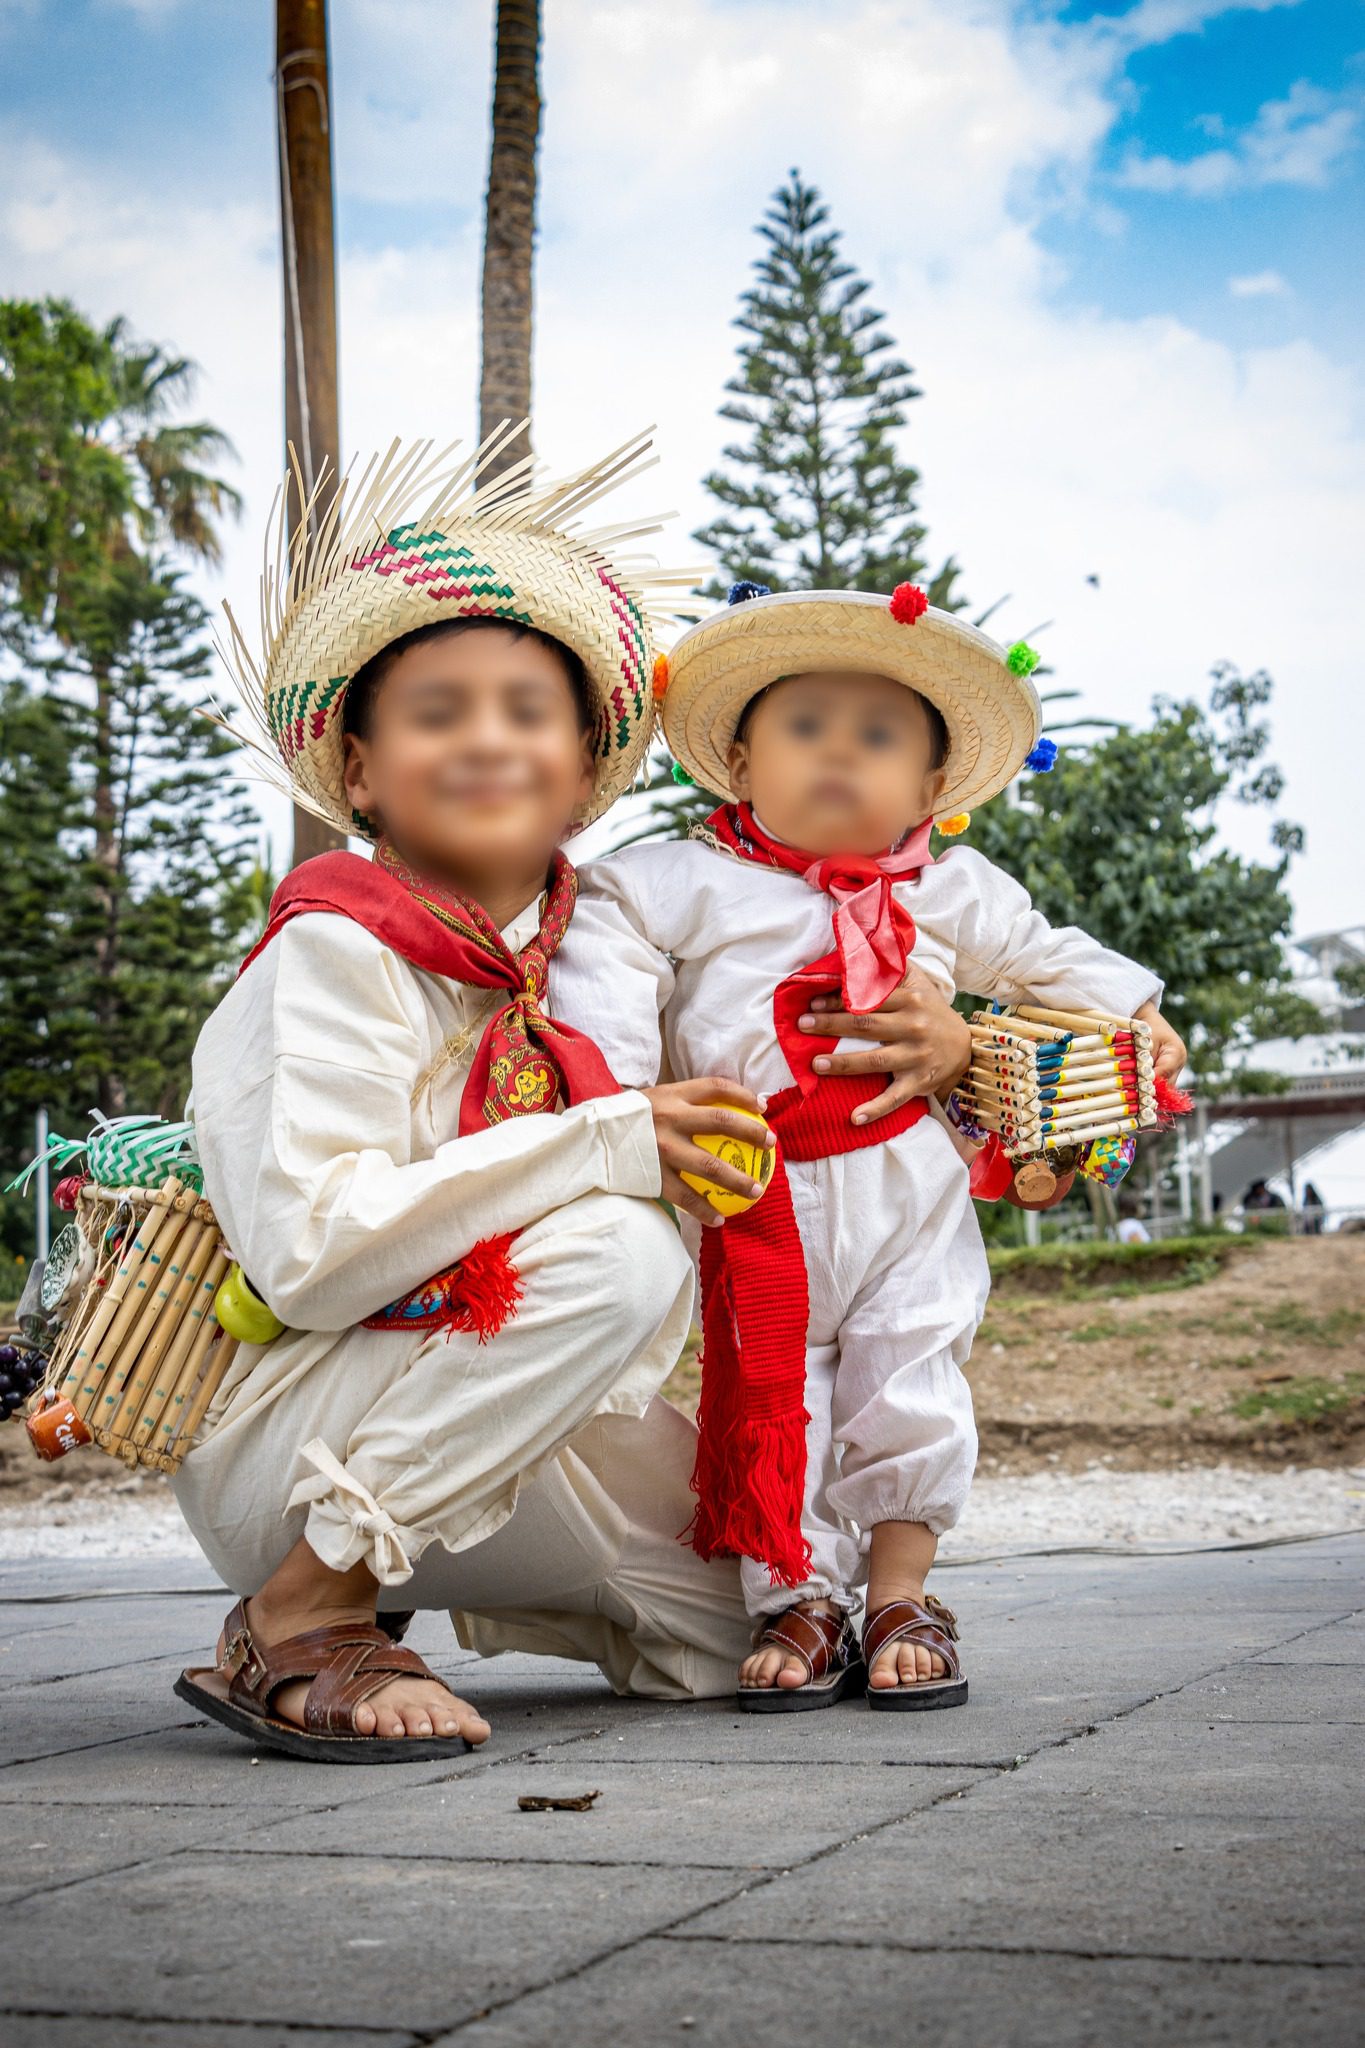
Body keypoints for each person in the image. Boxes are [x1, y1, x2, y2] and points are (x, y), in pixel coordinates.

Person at [169, 434, 810, 1761]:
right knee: (622, 1245)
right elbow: (309, 1258)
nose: (486, 740)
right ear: (358, 770)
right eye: (437, 711)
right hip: (295, 1434)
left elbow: (789, 1081)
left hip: (510, 1405)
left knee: (732, 1641)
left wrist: (926, 1049)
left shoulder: (593, 963)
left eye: (526, 712)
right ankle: (303, 1613)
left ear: (581, 773)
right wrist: (613, 1138)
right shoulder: (330, 953)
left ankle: (433, 1574)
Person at [558, 582, 1186, 1713]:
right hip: (751, 1186)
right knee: (771, 1389)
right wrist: (624, 1097)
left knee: (912, 1367)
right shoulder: (671, 879)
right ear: (741, 764)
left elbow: (1047, 959)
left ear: (932, 790)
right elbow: (601, 986)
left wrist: (1137, 1015)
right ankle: (796, 1591)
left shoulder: (952, 888)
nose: (840, 752)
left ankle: (901, 1591)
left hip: (908, 1183)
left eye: (880, 735)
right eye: (806, 728)